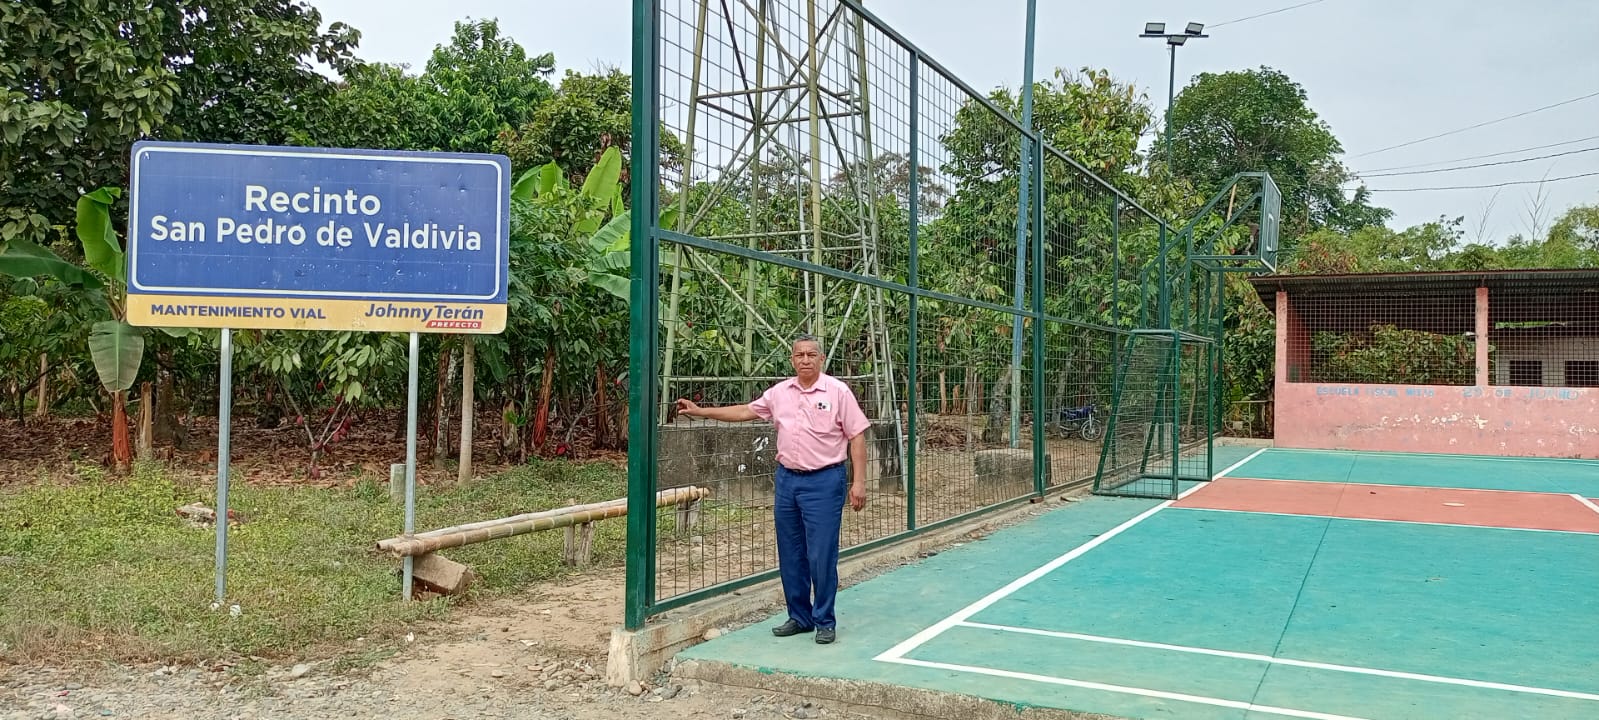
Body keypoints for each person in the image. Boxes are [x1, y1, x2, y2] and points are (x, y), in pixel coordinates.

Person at [675, 335, 869, 645]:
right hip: (788, 481)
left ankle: (824, 620)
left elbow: (857, 435)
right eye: (799, 355)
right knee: (791, 552)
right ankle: (800, 617)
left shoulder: (838, 392)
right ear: (792, 360)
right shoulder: (780, 393)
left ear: (821, 359)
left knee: (820, 554)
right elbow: (744, 411)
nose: (805, 360)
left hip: (824, 481)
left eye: (811, 355)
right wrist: (702, 411)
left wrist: (859, 482)